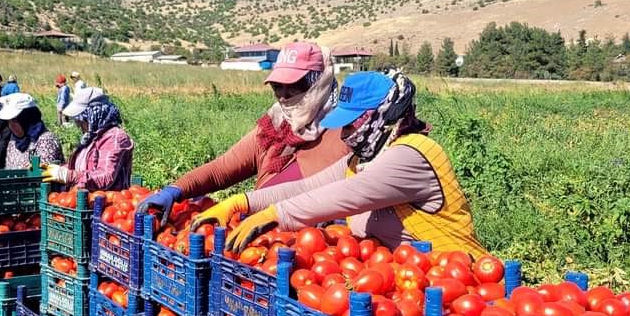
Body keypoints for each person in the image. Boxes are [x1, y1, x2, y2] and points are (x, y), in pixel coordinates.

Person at [215, 71, 487, 257]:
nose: (343, 132)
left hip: (459, 284)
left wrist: (275, 214)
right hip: (406, 282)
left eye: (351, 122)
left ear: (383, 114)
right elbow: (307, 188)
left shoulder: (412, 154)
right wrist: (242, 202)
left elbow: (347, 195)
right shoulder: (361, 160)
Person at [138, 41, 348, 224]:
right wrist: (175, 190)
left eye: (295, 85)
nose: (284, 96)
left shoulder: (344, 134)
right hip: (258, 245)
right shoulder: (274, 128)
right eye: (277, 86)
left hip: (309, 255)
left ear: (319, 82)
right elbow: (221, 169)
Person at [42, 87, 133, 191]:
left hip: (107, 202)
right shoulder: (90, 137)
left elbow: (105, 177)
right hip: (84, 199)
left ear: (93, 115)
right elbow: (80, 167)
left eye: (81, 120)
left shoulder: (115, 137)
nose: (78, 124)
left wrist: (69, 176)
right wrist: (58, 170)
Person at [0, 93, 64, 169]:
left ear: (27, 118)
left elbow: (45, 174)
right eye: (8, 121)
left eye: (15, 120)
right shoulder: (14, 142)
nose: (11, 126)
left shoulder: (45, 140)